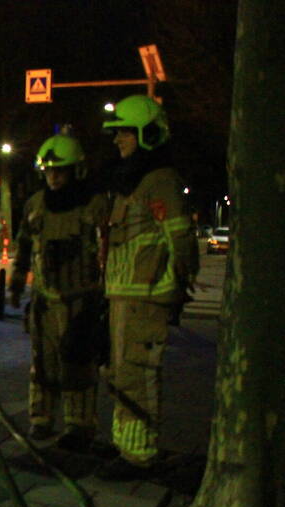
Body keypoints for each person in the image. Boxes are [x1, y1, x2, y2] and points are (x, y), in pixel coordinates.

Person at [98, 94, 198, 479]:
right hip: (125, 295)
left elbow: (181, 239)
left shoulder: (160, 181)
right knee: (122, 373)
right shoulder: (133, 181)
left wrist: (177, 288)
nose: (117, 140)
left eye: (125, 132)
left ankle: (140, 455)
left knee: (138, 373)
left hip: (147, 296)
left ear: (148, 134)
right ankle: (127, 443)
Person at [9, 134, 107, 452]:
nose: (53, 177)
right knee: (43, 363)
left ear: (76, 170)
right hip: (45, 300)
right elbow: (24, 245)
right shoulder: (35, 205)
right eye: (48, 171)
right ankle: (41, 418)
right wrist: (17, 282)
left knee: (77, 363)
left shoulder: (93, 204)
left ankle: (79, 424)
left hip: (80, 299)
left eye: (60, 170)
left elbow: (108, 248)